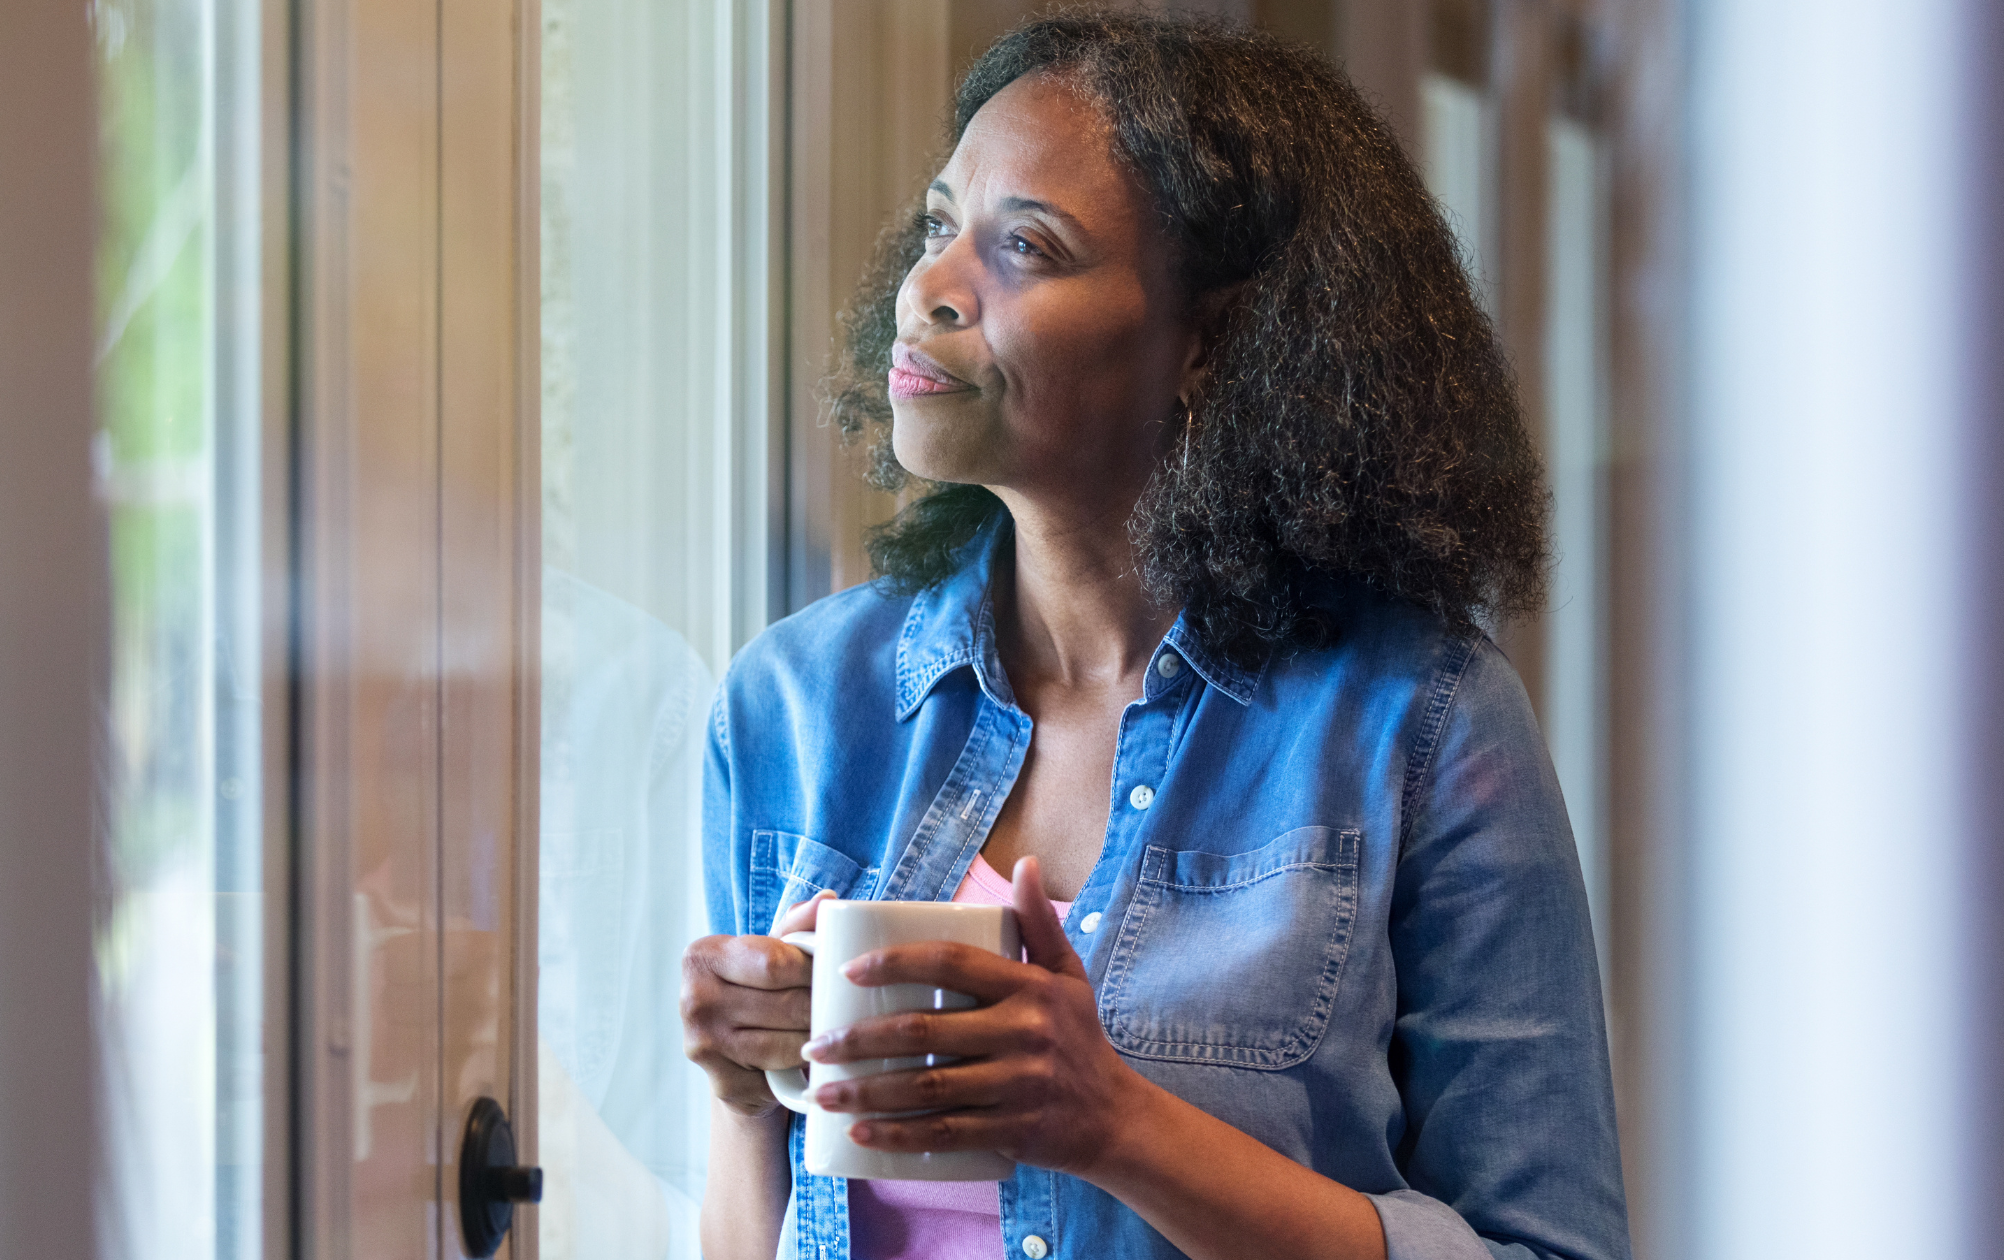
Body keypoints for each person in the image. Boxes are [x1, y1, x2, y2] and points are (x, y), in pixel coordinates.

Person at [679, 11, 1629, 1260]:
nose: (928, 290)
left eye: (1022, 246)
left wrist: (1110, 1120)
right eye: (936, 226)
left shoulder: (1420, 721)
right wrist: (750, 1098)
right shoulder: (791, 708)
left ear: (1211, 341)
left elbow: (1548, 1246)